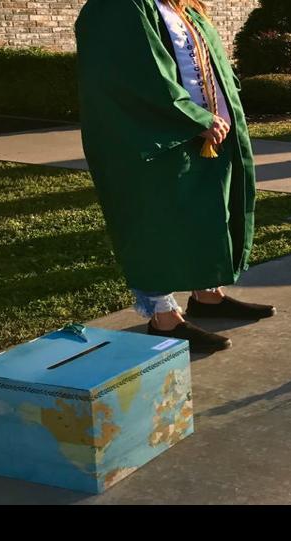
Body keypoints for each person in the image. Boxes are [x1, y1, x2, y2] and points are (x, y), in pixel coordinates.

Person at [75, 0, 272, 353]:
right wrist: (194, 118)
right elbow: (137, 76)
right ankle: (164, 318)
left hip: (206, 133)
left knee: (207, 212)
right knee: (158, 222)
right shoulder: (119, 7)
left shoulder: (180, 6)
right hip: (154, 138)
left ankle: (207, 296)